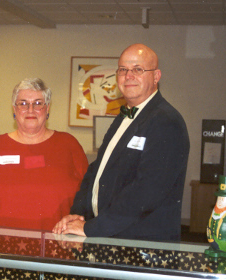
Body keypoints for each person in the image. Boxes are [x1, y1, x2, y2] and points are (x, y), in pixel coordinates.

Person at [53, 44, 190, 241]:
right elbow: (97, 169)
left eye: (138, 69)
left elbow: (146, 192)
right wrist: (78, 213)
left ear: (156, 76)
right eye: (123, 70)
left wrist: (92, 228)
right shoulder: (122, 116)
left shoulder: (166, 121)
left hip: (142, 247)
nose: (129, 76)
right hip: (111, 238)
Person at [0, 78, 88, 231]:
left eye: (38, 103)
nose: (30, 110)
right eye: (23, 103)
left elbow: (90, 200)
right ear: (14, 109)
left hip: (57, 249)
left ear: (47, 108)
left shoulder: (69, 146)